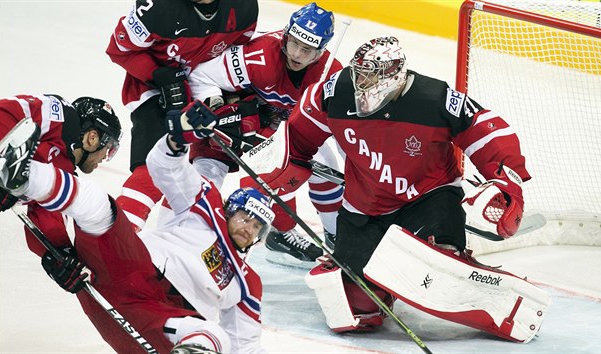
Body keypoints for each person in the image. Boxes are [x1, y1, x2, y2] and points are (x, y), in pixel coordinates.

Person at [244, 37, 550, 342]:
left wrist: (506, 182)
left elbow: (486, 128)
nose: (361, 83)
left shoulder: (434, 97)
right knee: (355, 309)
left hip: (428, 197)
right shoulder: (334, 93)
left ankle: (460, 263)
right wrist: (280, 166)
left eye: (371, 75)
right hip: (364, 207)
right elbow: (299, 134)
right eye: (359, 73)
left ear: (395, 74)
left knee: (440, 264)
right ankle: (379, 286)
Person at [0, 99, 275, 353]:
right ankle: (21, 177)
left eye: (257, 227)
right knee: (97, 205)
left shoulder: (248, 282)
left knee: (214, 337)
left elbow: (247, 346)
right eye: (245, 217)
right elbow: (164, 167)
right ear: (228, 210)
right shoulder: (205, 206)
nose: (248, 228)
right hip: (131, 264)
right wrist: (177, 139)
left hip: (161, 319)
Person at [188, 2, 344, 267]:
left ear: (321, 51)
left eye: (306, 50)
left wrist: (357, 162)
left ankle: (336, 238)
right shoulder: (259, 56)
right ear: (285, 35)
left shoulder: (332, 77)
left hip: (283, 130)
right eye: (293, 43)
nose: (295, 54)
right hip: (237, 124)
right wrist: (219, 109)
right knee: (206, 178)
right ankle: (192, 237)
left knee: (324, 165)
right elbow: (201, 76)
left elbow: (343, 130)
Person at [106, 0, 259, 232]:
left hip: (208, 88)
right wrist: (158, 74)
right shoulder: (157, 6)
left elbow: (234, 54)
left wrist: (231, 97)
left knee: (209, 168)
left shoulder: (244, 6)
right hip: (155, 89)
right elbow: (119, 49)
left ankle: (180, 239)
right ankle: (115, 241)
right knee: (153, 168)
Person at [0, 94, 122, 257]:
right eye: (109, 148)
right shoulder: (61, 115)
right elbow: (5, 111)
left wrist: (62, 257)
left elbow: (49, 221)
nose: (105, 157)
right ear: (93, 138)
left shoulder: (62, 176)